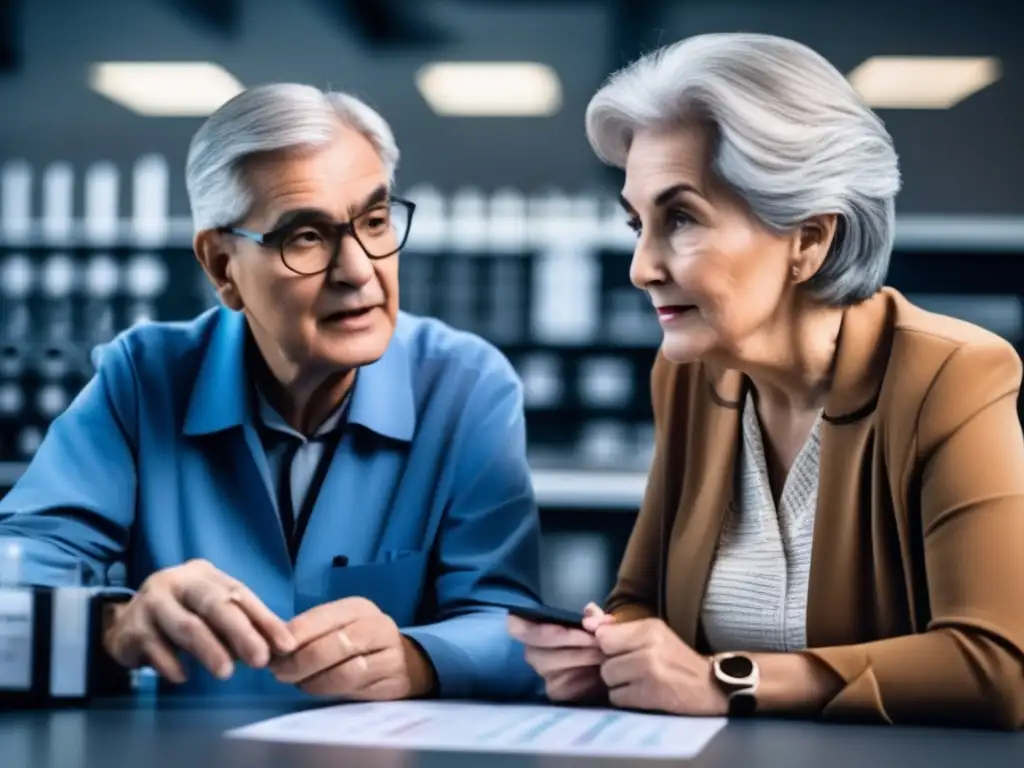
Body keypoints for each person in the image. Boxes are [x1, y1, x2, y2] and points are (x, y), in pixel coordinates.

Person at [509, 32, 1024, 729]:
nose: (641, 266)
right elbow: (641, 598)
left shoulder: (950, 375)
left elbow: (996, 666)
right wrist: (608, 650)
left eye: (681, 218)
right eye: (638, 224)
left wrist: (725, 681)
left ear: (809, 238)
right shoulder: (689, 376)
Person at [0, 83, 543, 701]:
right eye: (305, 237)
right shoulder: (141, 378)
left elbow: (513, 629)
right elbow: (13, 583)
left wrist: (417, 658)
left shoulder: (467, 386)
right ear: (221, 267)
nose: (359, 270)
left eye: (374, 220)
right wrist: (114, 624)